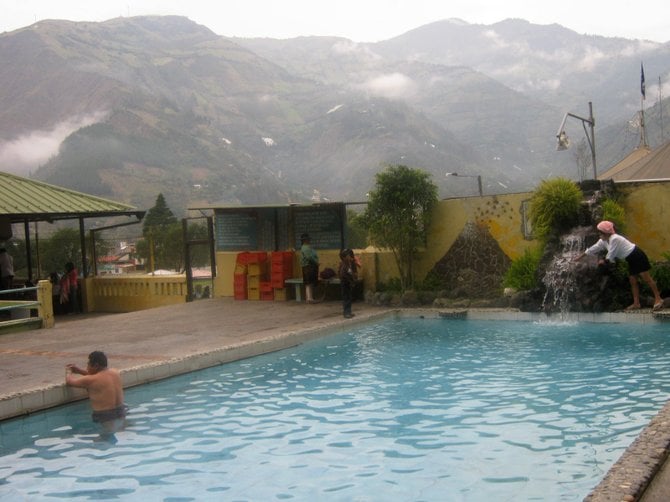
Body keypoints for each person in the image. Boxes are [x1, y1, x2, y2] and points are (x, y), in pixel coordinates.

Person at [573, 220, 664, 311]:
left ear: (606, 233)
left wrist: (603, 261)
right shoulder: (603, 241)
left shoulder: (614, 239)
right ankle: (636, 303)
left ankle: (658, 299)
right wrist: (579, 257)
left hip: (637, 256)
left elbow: (611, 254)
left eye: (600, 233)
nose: (599, 235)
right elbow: (593, 248)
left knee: (647, 279)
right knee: (633, 281)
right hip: (630, 259)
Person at [66, 351, 127, 432]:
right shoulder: (115, 372)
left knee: (105, 437)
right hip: (121, 411)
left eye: (88, 365)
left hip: (105, 415)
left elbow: (70, 382)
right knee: (116, 431)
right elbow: (97, 375)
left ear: (96, 365)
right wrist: (80, 371)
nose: (87, 368)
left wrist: (68, 372)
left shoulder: (91, 380)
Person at [299, 233, 319, 303]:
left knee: (309, 282)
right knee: (309, 282)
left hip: (309, 266)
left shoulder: (307, 247)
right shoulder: (305, 248)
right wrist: (316, 262)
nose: (309, 240)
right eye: (307, 239)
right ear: (305, 240)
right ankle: (309, 298)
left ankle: (310, 298)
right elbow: (309, 257)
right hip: (308, 266)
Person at [338, 248, 357, 318]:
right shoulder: (343, 265)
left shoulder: (350, 264)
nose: (350, 257)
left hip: (349, 283)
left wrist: (353, 280)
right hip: (345, 283)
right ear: (344, 257)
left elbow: (353, 273)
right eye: (348, 256)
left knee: (349, 298)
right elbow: (342, 274)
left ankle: (349, 311)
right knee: (346, 298)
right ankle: (346, 313)